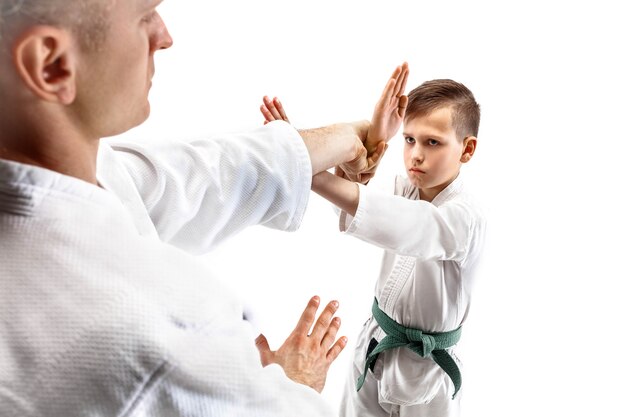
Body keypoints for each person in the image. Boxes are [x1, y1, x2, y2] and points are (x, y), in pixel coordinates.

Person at [0, 1, 386, 416]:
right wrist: (296, 386)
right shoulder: (166, 340)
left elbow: (174, 180)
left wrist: (338, 140)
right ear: (49, 63)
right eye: (144, 15)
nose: (165, 36)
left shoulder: (52, 173)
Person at [261, 68, 486, 417]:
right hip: (376, 343)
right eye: (409, 139)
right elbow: (359, 188)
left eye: (432, 142)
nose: (416, 154)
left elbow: (399, 222)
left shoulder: (464, 218)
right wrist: (376, 135)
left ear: (467, 149)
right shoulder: (405, 189)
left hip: (426, 369)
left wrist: (303, 164)